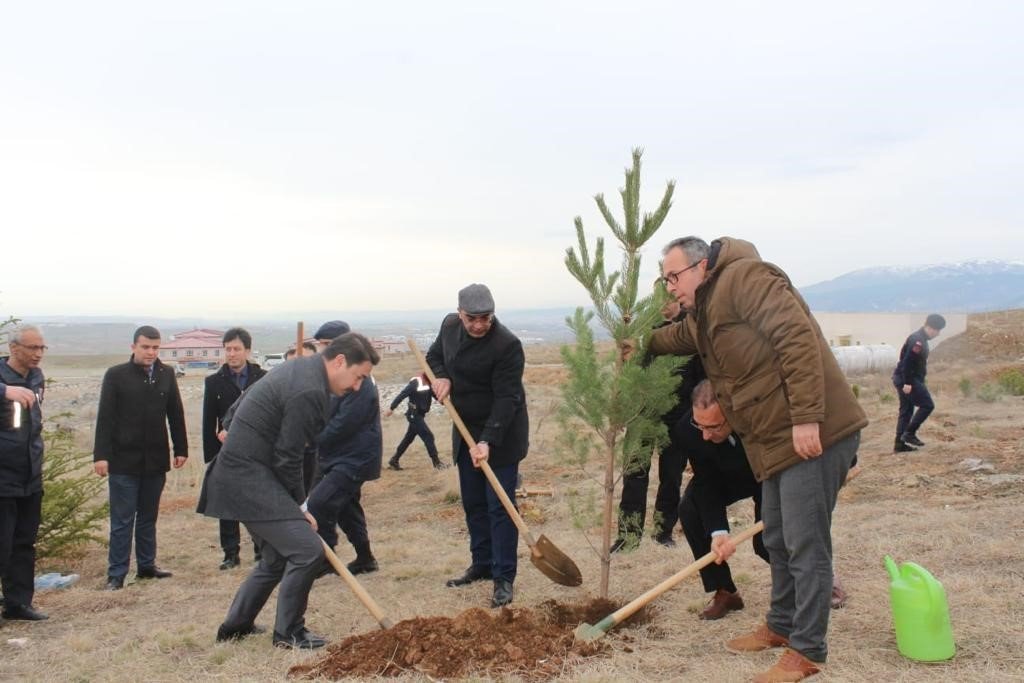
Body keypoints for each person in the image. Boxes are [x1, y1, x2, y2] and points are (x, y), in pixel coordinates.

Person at [648, 237, 867, 682]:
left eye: (673, 276)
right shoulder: (708, 312)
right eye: (664, 278)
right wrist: (641, 342)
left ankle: (807, 651)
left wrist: (807, 417)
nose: (669, 287)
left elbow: (796, 338)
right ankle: (781, 626)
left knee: (806, 544)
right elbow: (680, 336)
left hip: (811, 435)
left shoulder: (747, 279)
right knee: (780, 539)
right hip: (773, 440)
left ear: (701, 266)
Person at [197, 332, 379, 649]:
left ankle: (235, 626)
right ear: (339, 362)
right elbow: (289, 456)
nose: (357, 386)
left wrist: (296, 506)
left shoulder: (303, 371)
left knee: (275, 558)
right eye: (358, 376)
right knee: (308, 551)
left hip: (247, 475)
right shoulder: (309, 389)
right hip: (247, 479)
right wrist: (299, 508)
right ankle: (289, 633)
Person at [426, 283, 528, 608]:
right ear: (460, 313)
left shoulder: (507, 345)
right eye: (472, 318)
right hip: (465, 427)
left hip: (501, 433)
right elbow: (433, 357)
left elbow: (507, 398)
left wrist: (487, 441)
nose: (479, 324)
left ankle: (503, 578)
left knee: (500, 507)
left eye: (486, 317)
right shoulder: (449, 326)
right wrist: (441, 377)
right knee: (473, 504)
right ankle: (482, 564)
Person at [93, 326, 188, 591]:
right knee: (122, 520)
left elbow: (176, 414)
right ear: (133, 346)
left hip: (155, 459)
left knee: (148, 516)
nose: (151, 352)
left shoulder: (166, 374)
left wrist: (181, 448)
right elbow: (105, 418)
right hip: (123, 460)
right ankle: (117, 574)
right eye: (146, 347)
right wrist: (101, 456)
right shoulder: (116, 376)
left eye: (156, 347)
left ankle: (147, 565)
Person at [612, 296, 702, 551]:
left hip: (678, 416)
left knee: (671, 477)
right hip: (642, 415)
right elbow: (627, 373)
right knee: (634, 475)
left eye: (670, 298)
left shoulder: (690, 330)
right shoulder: (640, 332)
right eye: (658, 298)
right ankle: (628, 536)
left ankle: (663, 532)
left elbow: (700, 377)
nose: (664, 304)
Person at [677, 379, 769, 620]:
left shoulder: (758, 416)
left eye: (714, 427)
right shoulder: (688, 430)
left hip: (767, 474)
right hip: (723, 475)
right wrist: (718, 532)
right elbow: (706, 482)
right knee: (690, 508)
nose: (705, 435)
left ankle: (818, 578)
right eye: (701, 426)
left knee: (766, 544)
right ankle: (725, 590)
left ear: (732, 414)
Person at [202, 327, 268, 570]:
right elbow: (209, 420)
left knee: (257, 502)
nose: (232, 354)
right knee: (227, 503)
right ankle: (230, 553)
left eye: (237, 349)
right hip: (225, 451)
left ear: (247, 351)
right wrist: (212, 456)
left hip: (257, 451)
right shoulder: (214, 382)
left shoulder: (263, 378)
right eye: (228, 349)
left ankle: (262, 549)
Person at [307, 367, 382, 576]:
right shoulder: (331, 378)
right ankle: (365, 559)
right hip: (332, 457)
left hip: (355, 458)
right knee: (346, 508)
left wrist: (310, 438)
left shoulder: (361, 382)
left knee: (318, 504)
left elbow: (344, 423)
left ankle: (326, 559)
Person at [0, 326, 49, 622]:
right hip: (2, 478)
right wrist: (5, 391)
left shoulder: (37, 378)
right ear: (14, 347)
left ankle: (18, 604)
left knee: (23, 543)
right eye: (32, 348)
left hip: (30, 475)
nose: (38, 354)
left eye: (42, 348)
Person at [892, 313, 946, 453]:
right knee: (927, 405)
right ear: (929, 327)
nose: (938, 334)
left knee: (906, 411)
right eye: (937, 330)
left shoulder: (920, 339)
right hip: (908, 379)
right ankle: (909, 433)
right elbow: (907, 362)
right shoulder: (917, 341)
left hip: (903, 378)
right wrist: (908, 383)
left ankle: (899, 444)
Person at [385, 373, 444, 471]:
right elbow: (402, 394)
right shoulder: (415, 382)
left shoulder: (429, 383)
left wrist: (444, 401)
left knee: (408, 439)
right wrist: (391, 408)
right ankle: (437, 463)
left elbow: (436, 396)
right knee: (428, 436)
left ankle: (394, 460)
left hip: (420, 415)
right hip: (414, 415)